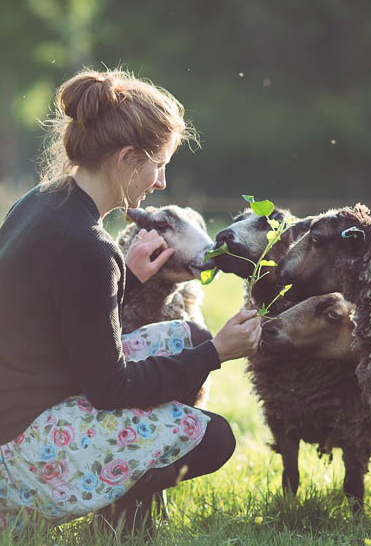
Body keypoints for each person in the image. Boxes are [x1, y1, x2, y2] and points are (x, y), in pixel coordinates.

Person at [0, 68, 261, 534]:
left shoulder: (41, 201)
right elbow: (110, 389)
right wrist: (217, 353)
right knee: (214, 436)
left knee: (187, 335)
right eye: (158, 164)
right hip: (20, 447)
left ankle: (121, 496)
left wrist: (131, 284)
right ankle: (120, 518)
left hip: (17, 404)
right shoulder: (89, 247)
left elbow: (61, 319)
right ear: (125, 159)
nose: (160, 181)